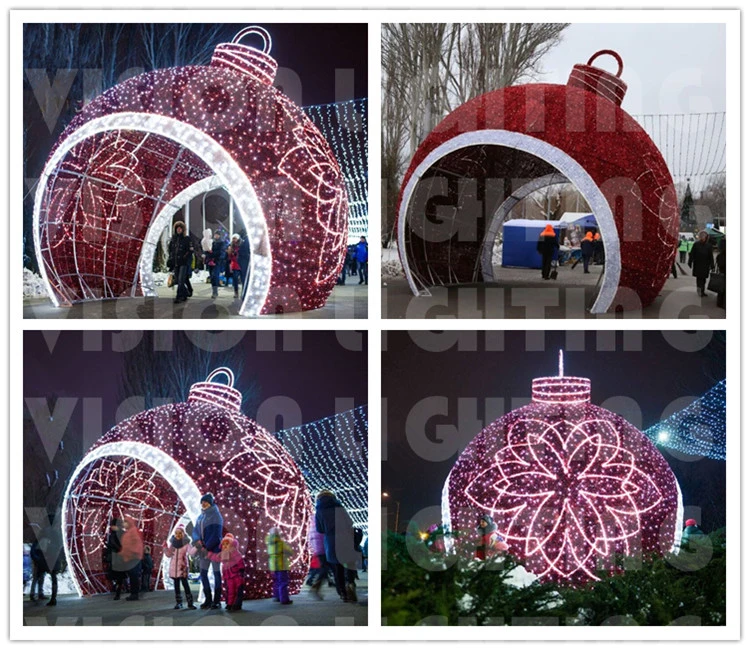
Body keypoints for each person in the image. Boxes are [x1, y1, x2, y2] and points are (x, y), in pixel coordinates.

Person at [315, 489, 358, 603]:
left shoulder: (319, 511)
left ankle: (343, 593)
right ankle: (350, 583)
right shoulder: (339, 506)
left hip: (331, 541)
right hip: (345, 539)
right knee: (349, 563)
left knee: (337, 569)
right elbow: (350, 522)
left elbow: (319, 529)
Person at [191, 493, 224, 609]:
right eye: (202, 502)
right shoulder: (200, 517)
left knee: (216, 574)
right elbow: (195, 531)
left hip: (214, 550)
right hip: (203, 550)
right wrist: (197, 541)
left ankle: (217, 600)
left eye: (205, 501)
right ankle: (208, 599)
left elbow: (216, 535)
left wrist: (206, 547)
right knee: (203, 574)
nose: (203, 504)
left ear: (210, 503)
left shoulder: (216, 516)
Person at [207, 533, 246, 611]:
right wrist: (209, 554)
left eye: (227, 544)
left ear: (231, 545)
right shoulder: (222, 554)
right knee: (230, 590)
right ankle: (229, 603)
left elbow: (240, 560)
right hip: (228, 575)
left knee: (237, 589)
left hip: (236, 574)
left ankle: (237, 604)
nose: (225, 546)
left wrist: (241, 569)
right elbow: (216, 557)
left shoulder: (235, 552)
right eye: (223, 544)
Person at [163, 525, 196, 610]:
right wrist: (165, 548)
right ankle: (179, 603)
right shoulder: (173, 544)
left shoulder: (186, 544)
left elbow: (191, 553)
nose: (178, 535)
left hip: (182, 568)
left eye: (179, 533)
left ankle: (190, 603)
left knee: (185, 584)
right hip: (174, 568)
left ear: (183, 534)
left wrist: (196, 547)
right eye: (176, 533)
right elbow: (169, 554)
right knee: (176, 585)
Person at [167, 221, 194, 304]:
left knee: (181, 280)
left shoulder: (187, 239)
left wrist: (185, 258)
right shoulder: (174, 239)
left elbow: (190, 251)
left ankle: (179, 296)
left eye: (180, 228)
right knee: (178, 280)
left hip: (184, 263)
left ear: (183, 229)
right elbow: (171, 251)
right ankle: (186, 293)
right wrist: (170, 260)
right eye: (177, 228)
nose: (178, 230)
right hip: (176, 263)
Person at [265, 527, 293, 605]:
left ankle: (276, 596)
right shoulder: (281, 543)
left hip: (273, 565)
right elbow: (290, 551)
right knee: (283, 582)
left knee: (276, 581)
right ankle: (284, 599)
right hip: (281, 564)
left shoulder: (269, 543)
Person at [120, 516, 144, 601]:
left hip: (133, 558)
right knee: (132, 576)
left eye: (125, 522)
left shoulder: (133, 532)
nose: (123, 524)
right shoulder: (129, 532)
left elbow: (137, 545)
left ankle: (134, 594)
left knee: (134, 576)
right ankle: (133, 593)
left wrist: (132, 552)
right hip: (130, 557)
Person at [105, 518, 127, 600]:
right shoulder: (117, 534)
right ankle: (121, 590)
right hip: (117, 557)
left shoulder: (117, 534)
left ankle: (119, 591)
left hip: (118, 557)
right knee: (119, 576)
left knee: (119, 576)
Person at [688, 230, 715, 297]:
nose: (703, 238)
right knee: (699, 279)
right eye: (701, 236)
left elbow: (710, 256)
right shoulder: (696, 244)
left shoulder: (709, 246)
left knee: (703, 279)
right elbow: (692, 254)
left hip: (705, 265)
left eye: (704, 236)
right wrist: (690, 262)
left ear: (706, 237)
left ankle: (702, 291)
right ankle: (700, 291)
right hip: (698, 264)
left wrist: (712, 265)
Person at [205, 231, 228, 299]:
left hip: (217, 262)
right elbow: (207, 251)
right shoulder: (212, 242)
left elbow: (221, 253)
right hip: (210, 261)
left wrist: (213, 254)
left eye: (217, 235)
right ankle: (214, 289)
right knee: (212, 277)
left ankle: (215, 292)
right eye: (215, 235)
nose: (216, 236)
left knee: (215, 276)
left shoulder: (222, 243)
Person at [307, 525, 327, 599]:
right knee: (325, 570)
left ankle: (315, 587)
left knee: (325, 570)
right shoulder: (318, 525)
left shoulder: (311, 527)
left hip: (318, 550)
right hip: (323, 549)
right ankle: (315, 587)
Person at [227, 235, 243, 300]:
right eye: (233, 238)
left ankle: (243, 291)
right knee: (235, 279)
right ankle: (236, 292)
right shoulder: (231, 246)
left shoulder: (241, 245)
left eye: (235, 238)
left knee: (243, 279)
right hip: (235, 265)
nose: (234, 240)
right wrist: (229, 253)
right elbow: (229, 257)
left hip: (241, 264)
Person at [237, 230, 251, 302]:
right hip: (245, 263)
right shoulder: (248, 240)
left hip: (243, 262)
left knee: (245, 279)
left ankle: (244, 294)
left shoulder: (245, 240)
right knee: (246, 279)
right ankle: (245, 295)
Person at [715, 238, 726, 309]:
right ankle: (721, 303)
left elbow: (719, 262)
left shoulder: (720, 254)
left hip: (722, 271)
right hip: (723, 271)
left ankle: (720, 302)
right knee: (723, 288)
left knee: (722, 288)